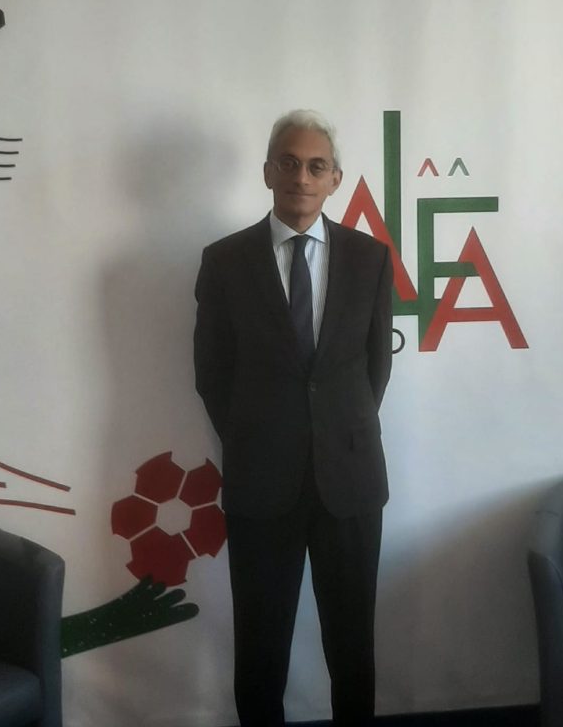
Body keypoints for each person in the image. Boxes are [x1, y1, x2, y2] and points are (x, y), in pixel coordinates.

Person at [194, 109, 392, 727]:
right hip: (261, 481)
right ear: (267, 172)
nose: (301, 176)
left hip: (350, 481)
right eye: (288, 162)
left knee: (353, 649)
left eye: (315, 165)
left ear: (335, 179)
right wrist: (257, 439)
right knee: (260, 649)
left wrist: (335, 432)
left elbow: (375, 367)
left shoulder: (370, 258)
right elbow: (212, 374)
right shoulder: (225, 262)